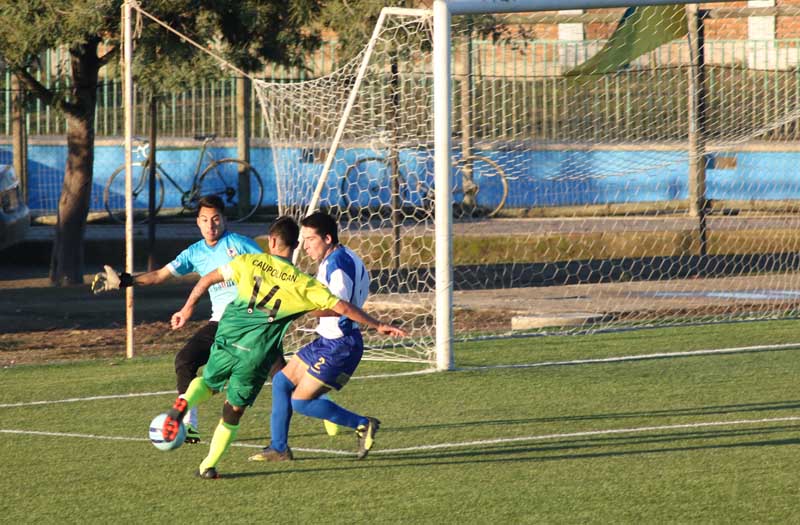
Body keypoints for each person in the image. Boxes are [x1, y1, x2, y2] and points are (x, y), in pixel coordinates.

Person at [161, 216, 406, 479]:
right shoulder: (302, 283)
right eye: (306, 240)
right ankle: (211, 464)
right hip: (257, 354)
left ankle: (183, 403)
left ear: (272, 241)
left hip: (229, 337)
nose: (309, 246)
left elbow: (209, 278)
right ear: (296, 244)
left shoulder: (249, 260)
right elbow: (342, 306)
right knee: (239, 406)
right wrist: (377, 324)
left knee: (209, 384)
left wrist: (187, 307)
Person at [90, 195, 263, 444]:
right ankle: (189, 425)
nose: (210, 225)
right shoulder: (195, 252)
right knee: (185, 360)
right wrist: (127, 280)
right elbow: (160, 275)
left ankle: (314, 401)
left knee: (281, 376)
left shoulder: (240, 244)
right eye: (205, 220)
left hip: (250, 322)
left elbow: (274, 268)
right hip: (221, 323)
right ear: (198, 222)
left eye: (215, 219)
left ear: (224, 220)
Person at [248, 211, 378, 464]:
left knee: (301, 402)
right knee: (282, 382)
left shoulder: (337, 265)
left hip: (341, 345)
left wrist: (296, 308)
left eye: (310, 239)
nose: (304, 245)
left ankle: (363, 424)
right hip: (328, 340)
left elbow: (338, 306)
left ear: (327, 238)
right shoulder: (343, 256)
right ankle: (279, 448)